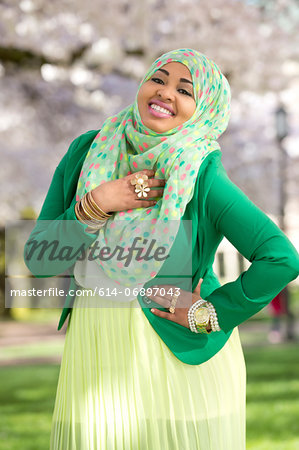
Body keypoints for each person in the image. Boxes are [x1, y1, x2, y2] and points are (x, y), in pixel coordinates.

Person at [24, 48, 299, 450]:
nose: (166, 92)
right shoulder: (88, 152)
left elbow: (280, 257)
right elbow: (39, 258)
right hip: (96, 349)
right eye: (159, 79)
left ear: (202, 109)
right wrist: (98, 202)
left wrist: (213, 313)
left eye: (184, 90)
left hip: (173, 356)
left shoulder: (200, 171)